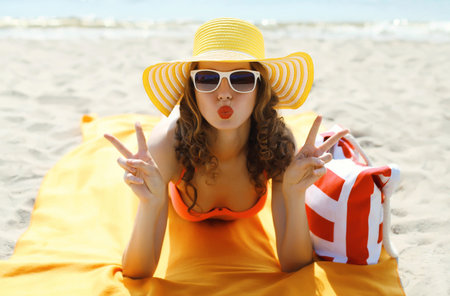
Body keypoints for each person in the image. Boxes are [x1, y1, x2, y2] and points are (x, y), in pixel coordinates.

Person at [104, 17, 348, 279]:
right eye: (207, 79)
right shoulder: (167, 144)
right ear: (192, 91)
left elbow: (293, 265)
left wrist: (294, 193)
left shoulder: (278, 145)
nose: (224, 93)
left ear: (259, 89)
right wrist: (150, 203)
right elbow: (136, 272)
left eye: (241, 79)